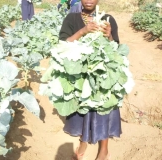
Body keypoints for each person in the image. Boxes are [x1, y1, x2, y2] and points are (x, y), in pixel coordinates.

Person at [59, 0, 121, 159]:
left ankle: (104, 149)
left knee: (104, 105)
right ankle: (84, 140)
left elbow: (116, 49)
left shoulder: (108, 19)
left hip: (102, 71)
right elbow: (63, 44)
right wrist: (83, 31)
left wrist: (109, 36)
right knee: (82, 106)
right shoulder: (71, 19)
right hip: (80, 70)